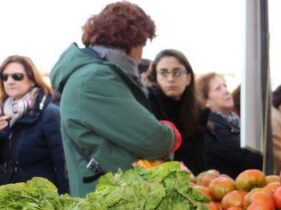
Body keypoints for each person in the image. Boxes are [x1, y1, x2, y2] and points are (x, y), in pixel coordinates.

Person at [50, 1, 179, 197]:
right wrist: (171, 133)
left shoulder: (91, 74)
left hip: (108, 196)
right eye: (142, 44)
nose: (141, 55)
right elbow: (153, 140)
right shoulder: (94, 79)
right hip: (109, 203)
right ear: (131, 41)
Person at [0, 56, 68, 192]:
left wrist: (65, 201)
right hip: (9, 201)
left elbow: (63, 164)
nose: (10, 81)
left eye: (17, 76)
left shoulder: (49, 113)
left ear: (32, 79)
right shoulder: (3, 114)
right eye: (5, 77)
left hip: (41, 202)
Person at [147, 49, 207, 173]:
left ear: (188, 78)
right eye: (163, 73)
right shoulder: (148, 104)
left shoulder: (199, 112)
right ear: (155, 77)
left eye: (177, 72)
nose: (170, 79)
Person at [197, 72, 262, 177]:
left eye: (225, 86)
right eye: (218, 89)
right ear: (206, 101)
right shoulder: (211, 126)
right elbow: (243, 156)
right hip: (227, 188)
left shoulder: (233, 120)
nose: (226, 91)